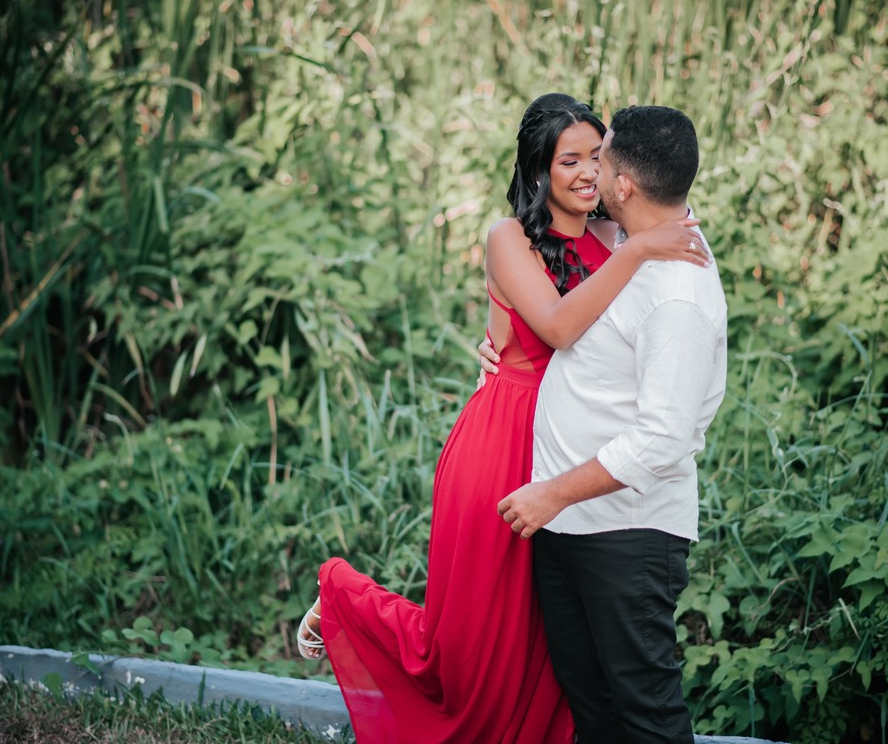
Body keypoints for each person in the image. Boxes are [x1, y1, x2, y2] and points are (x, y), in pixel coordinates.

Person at [293, 93, 711, 744]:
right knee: (467, 646)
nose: (586, 172)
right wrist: (637, 253)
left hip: (573, 458)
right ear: (538, 170)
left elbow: (661, 197)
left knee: (547, 648)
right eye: (568, 160)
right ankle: (343, 597)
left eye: (596, 157)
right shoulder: (511, 238)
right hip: (504, 445)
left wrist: (647, 239)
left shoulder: (618, 233)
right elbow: (558, 327)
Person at [497, 105, 727, 744]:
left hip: (626, 532)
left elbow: (661, 439)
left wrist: (551, 493)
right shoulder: (631, 238)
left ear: (623, 184)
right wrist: (497, 344)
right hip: (571, 523)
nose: (592, 170)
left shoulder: (677, 292)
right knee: (592, 707)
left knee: (645, 713)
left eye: (602, 159)